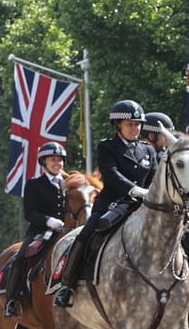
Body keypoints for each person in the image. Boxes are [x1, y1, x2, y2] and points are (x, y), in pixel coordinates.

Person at [54, 99, 158, 307]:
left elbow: (154, 177)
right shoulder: (107, 146)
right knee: (85, 235)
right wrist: (134, 189)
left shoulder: (148, 151)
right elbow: (110, 174)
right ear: (118, 125)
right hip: (112, 203)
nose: (135, 128)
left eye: (138, 124)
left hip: (142, 206)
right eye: (130, 124)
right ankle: (67, 284)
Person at [3, 141, 69, 317]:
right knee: (20, 257)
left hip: (66, 231)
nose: (57, 163)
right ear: (44, 162)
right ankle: (11, 300)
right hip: (40, 231)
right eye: (53, 159)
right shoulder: (34, 184)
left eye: (60, 160)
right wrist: (49, 221)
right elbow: (30, 213)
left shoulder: (69, 183)